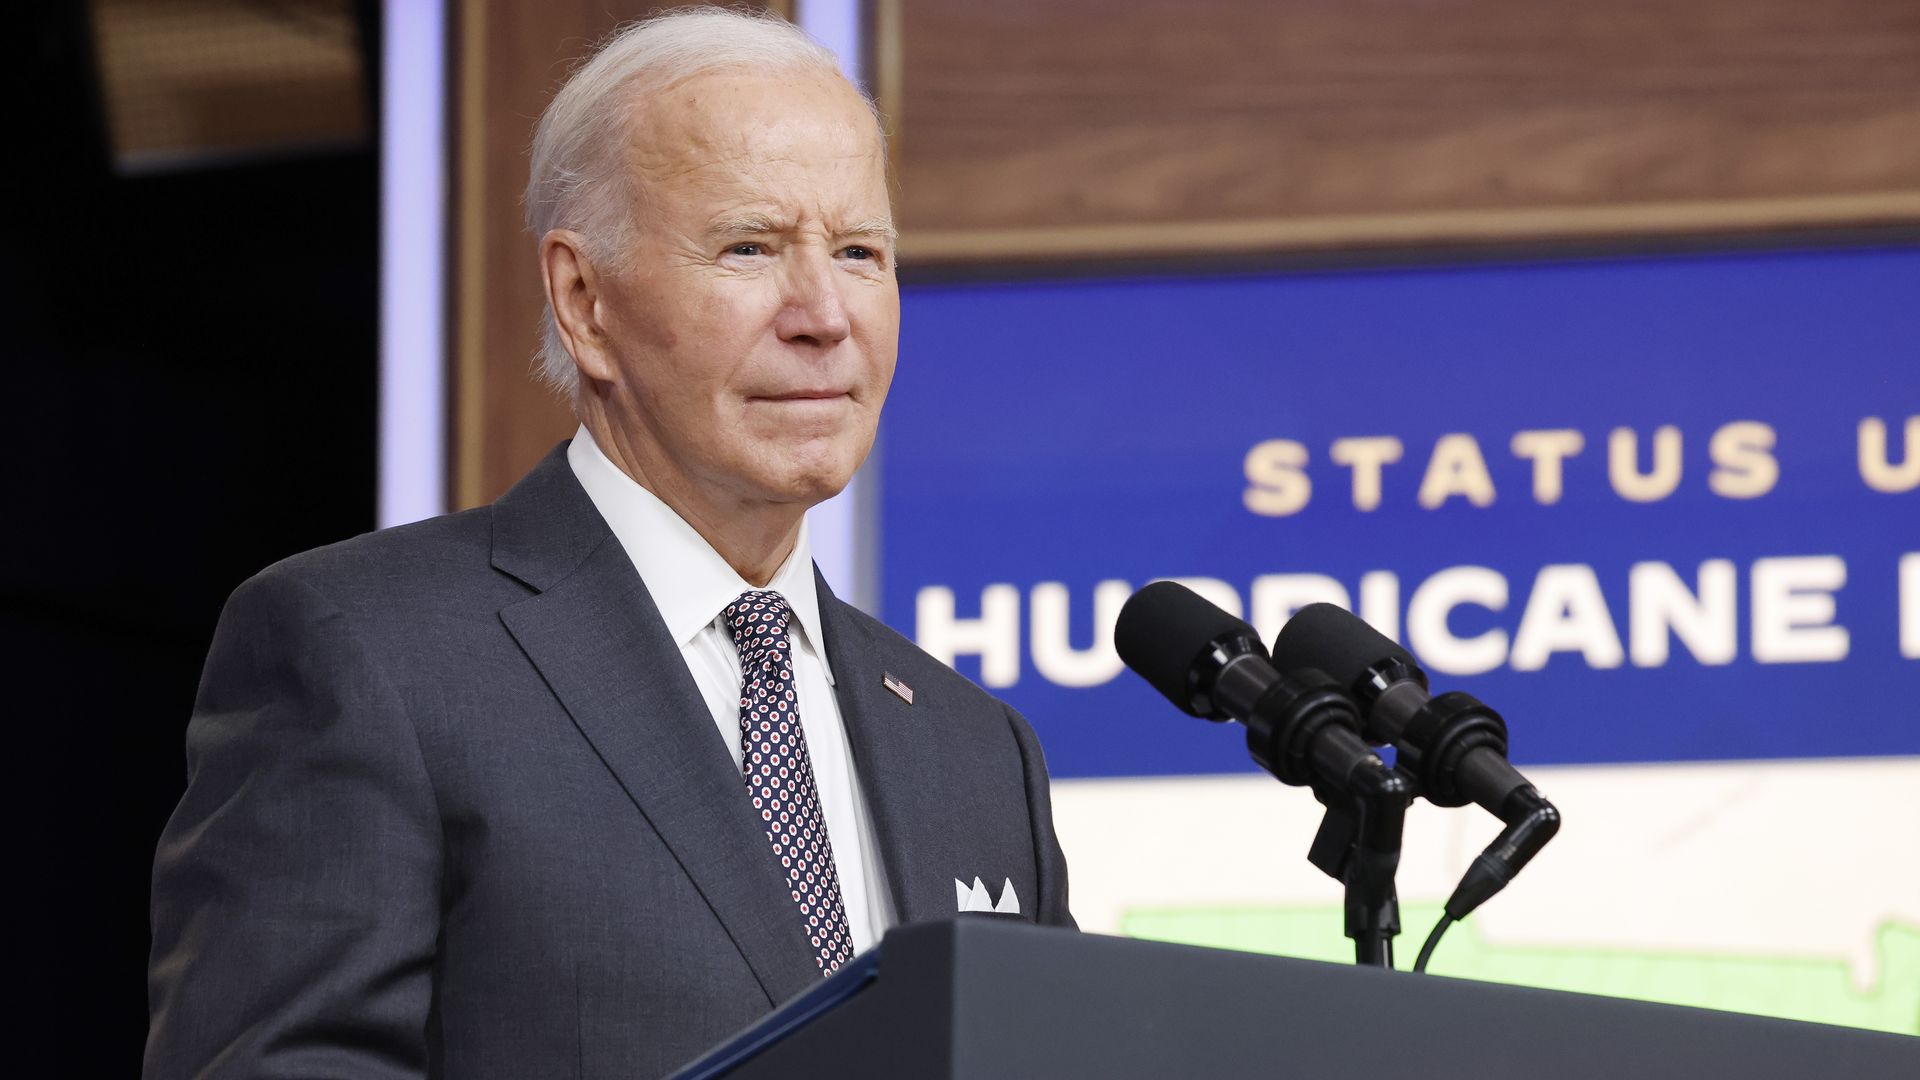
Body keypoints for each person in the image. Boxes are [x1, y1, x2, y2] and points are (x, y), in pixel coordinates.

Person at [144, 10, 1073, 1078]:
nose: (824, 313)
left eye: (860, 252)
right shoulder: (369, 653)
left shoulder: (975, 750)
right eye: (750, 247)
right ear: (584, 302)